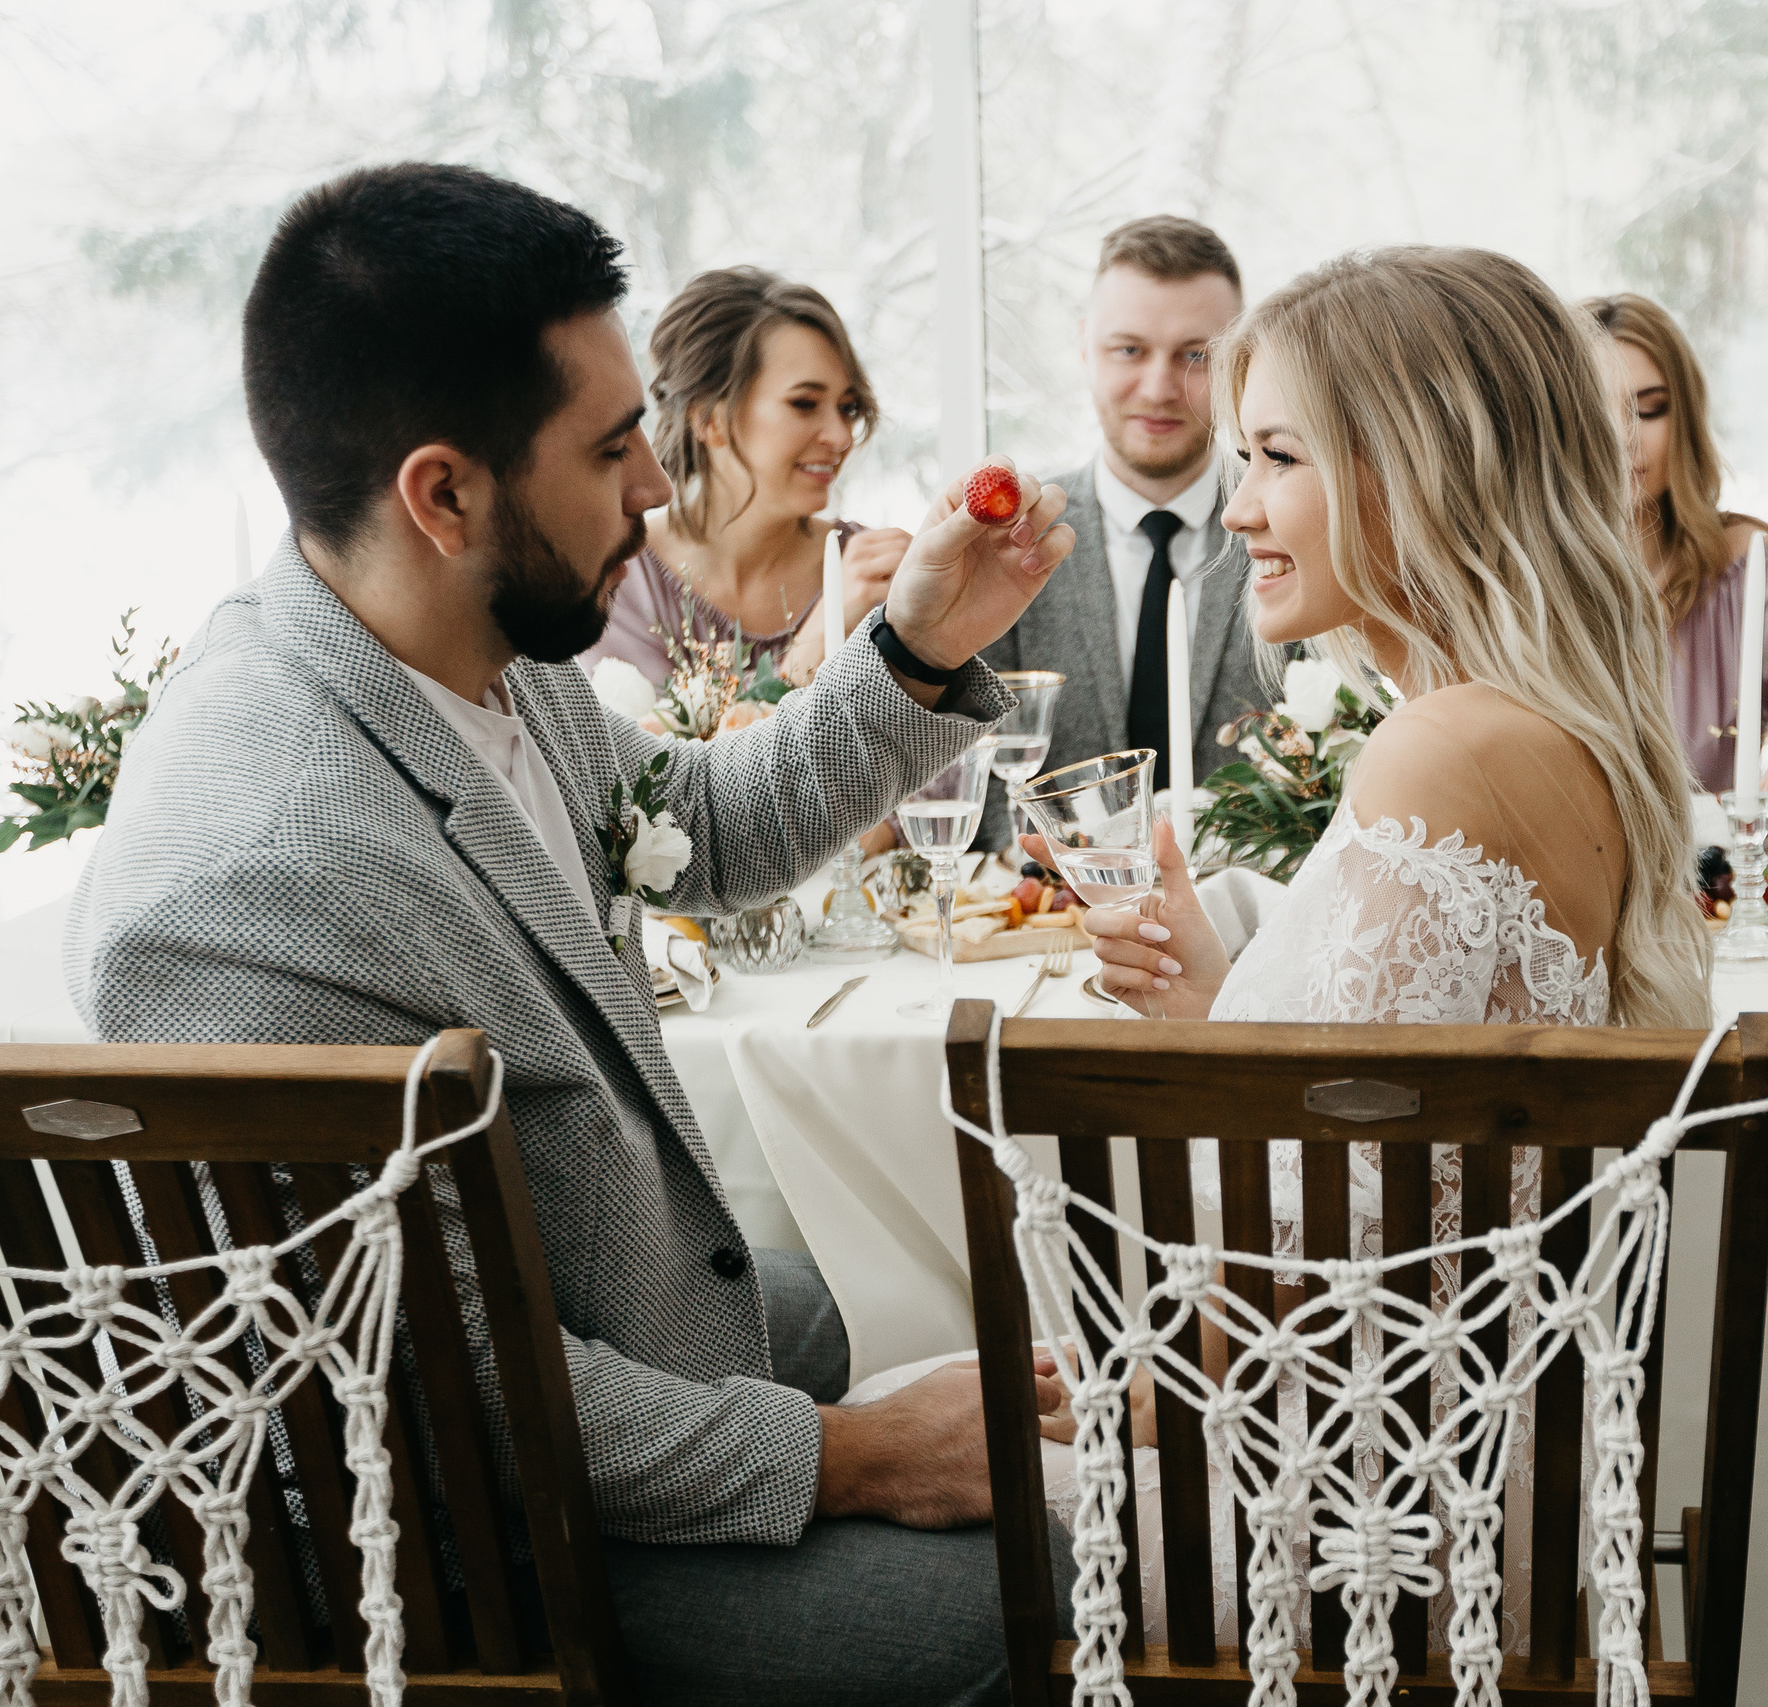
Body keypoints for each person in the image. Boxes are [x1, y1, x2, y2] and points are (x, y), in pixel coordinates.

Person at [65, 163, 1080, 1704]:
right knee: (1058, 1586)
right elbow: (442, 1392)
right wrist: (854, 1453)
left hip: (615, 1323)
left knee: (925, 1304)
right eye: (612, 448)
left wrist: (918, 645)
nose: (661, 488)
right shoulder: (258, 880)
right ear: (445, 489)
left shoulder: (476, 630)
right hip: (479, 1547)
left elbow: (705, 825)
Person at [1049, 247, 1713, 1653]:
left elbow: (1318, 1267)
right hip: (1453, 1465)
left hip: (1344, 1524)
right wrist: (1208, 1004)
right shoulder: (1523, 724)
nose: (1235, 509)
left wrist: (1104, 1402)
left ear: (1421, 471)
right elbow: (1395, 1153)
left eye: (1276, 456)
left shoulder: (1446, 747)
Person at [978, 215, 1276, 846]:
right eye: (1129, 350)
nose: (1159, 387)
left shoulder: (1293, 530)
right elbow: (965, 789)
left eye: (1196, 356)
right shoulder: (1008, 540)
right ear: (1084, 347)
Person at [1584, 292, 1768, 799]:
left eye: (1649, 411)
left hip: (1706, 877)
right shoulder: (1516, 577)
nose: (1624, 438)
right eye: (1594, 412)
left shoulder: (1751, 568)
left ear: (1686, 420)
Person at [575, 266, 909, 689]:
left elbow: (943, 753)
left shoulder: (876, 575)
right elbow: (652, 756)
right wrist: (820, 639)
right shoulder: (622, 580)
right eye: (805, 403)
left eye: (847, 407)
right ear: (709, 417)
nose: (841, 436)